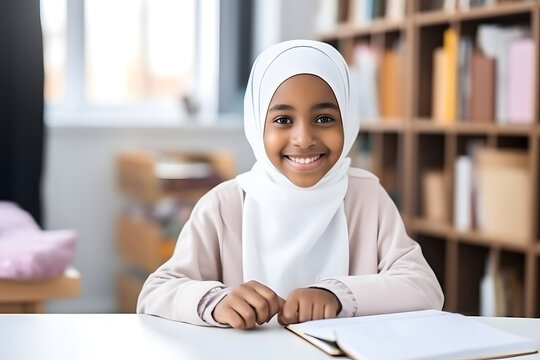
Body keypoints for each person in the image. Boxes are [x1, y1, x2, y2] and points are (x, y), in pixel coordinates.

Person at [137, 40, 444, 329]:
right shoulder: (224, 205)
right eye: (283, 120)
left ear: (348, 121)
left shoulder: (367, 197)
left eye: (324, 119)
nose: (304, 139)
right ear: (258, 124)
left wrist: (337, 296)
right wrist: (216, 302)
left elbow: (424, 288)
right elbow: (156, 292)